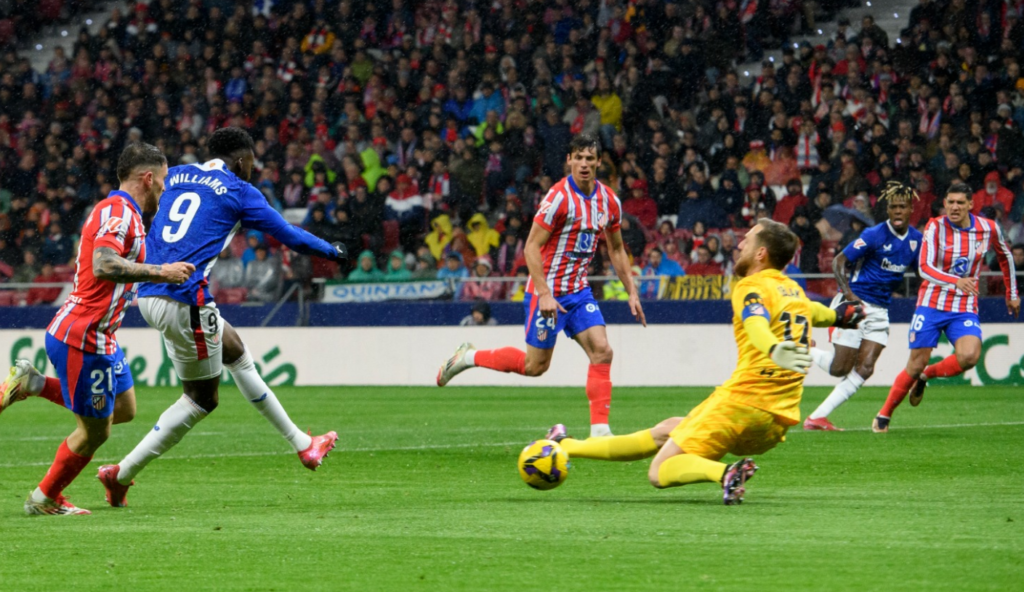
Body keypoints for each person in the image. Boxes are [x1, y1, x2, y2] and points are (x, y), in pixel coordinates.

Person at [96, 128, 348, 508]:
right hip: (185, 295)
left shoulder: (177, 174)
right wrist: (332, 250)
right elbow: (289, 234)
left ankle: (303, 444)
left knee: (234, 350)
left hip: (148, 290)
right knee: (202, 400)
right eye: (253, 161)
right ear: (243, 160)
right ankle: (122, 473)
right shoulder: (240, 190)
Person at [539, 220, 864, 504]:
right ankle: (566, 445)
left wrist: (774, 349)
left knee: (660, 471)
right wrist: (840, 316)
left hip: (740, 405)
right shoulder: (792, 290)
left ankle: (726, 474)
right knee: (666, 431)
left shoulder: (749, 286)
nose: (740, 244)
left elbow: (756, 324)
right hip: (775, 423)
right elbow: (815, 312)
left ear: (761, 253)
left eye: (747, 240)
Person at [0, 143, 194, 515]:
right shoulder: (119, 213)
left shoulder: (125, 213)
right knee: (96, 431)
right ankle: (44, 498)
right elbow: (103, 264)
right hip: (83, 336)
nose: (165, 190)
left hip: (98, 336)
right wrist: (161, 272)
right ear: (148, 178)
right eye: (164, 181)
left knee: (123, 409)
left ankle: (33, 384)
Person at [437, 134, 646, 438]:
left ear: (599, 162)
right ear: (569, 161)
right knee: (535, 367)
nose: (584, 164)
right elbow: (531, 247)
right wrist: (545, 293)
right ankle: (468, 357)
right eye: (579, 158)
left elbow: (615, 248)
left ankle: (601, 432)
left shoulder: (609, 201)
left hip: (578, 291)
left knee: (602, 350)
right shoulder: (558, 197)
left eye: (590, 158)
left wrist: (632, 290)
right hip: (545, 292)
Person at [873, 183, 1020, 433]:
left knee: (970, 357)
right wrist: (956, 281)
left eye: (960, 203)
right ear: (944, 203)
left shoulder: (988, 228)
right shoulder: (935, 227)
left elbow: (1005, 256)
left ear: (970, 205)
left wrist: (1011, 292)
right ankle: (884, 415)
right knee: (915, 363)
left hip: (963, 307)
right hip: (931, 304)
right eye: (950, 202)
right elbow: (924, 268)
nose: (954, 207)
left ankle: (926, 376)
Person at [805, 182, 923, 431]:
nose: (898, 211)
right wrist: (848, 294)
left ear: (911, 209)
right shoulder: (874, 234)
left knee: (866, 368)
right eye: (893, 207)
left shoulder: (916, 240)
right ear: (888, 210)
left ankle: (816, 418)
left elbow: (922, 274)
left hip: (881, 309)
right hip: (855, 304)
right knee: (839, 369)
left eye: (903, 206)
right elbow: (839, 261)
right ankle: (807, 350)